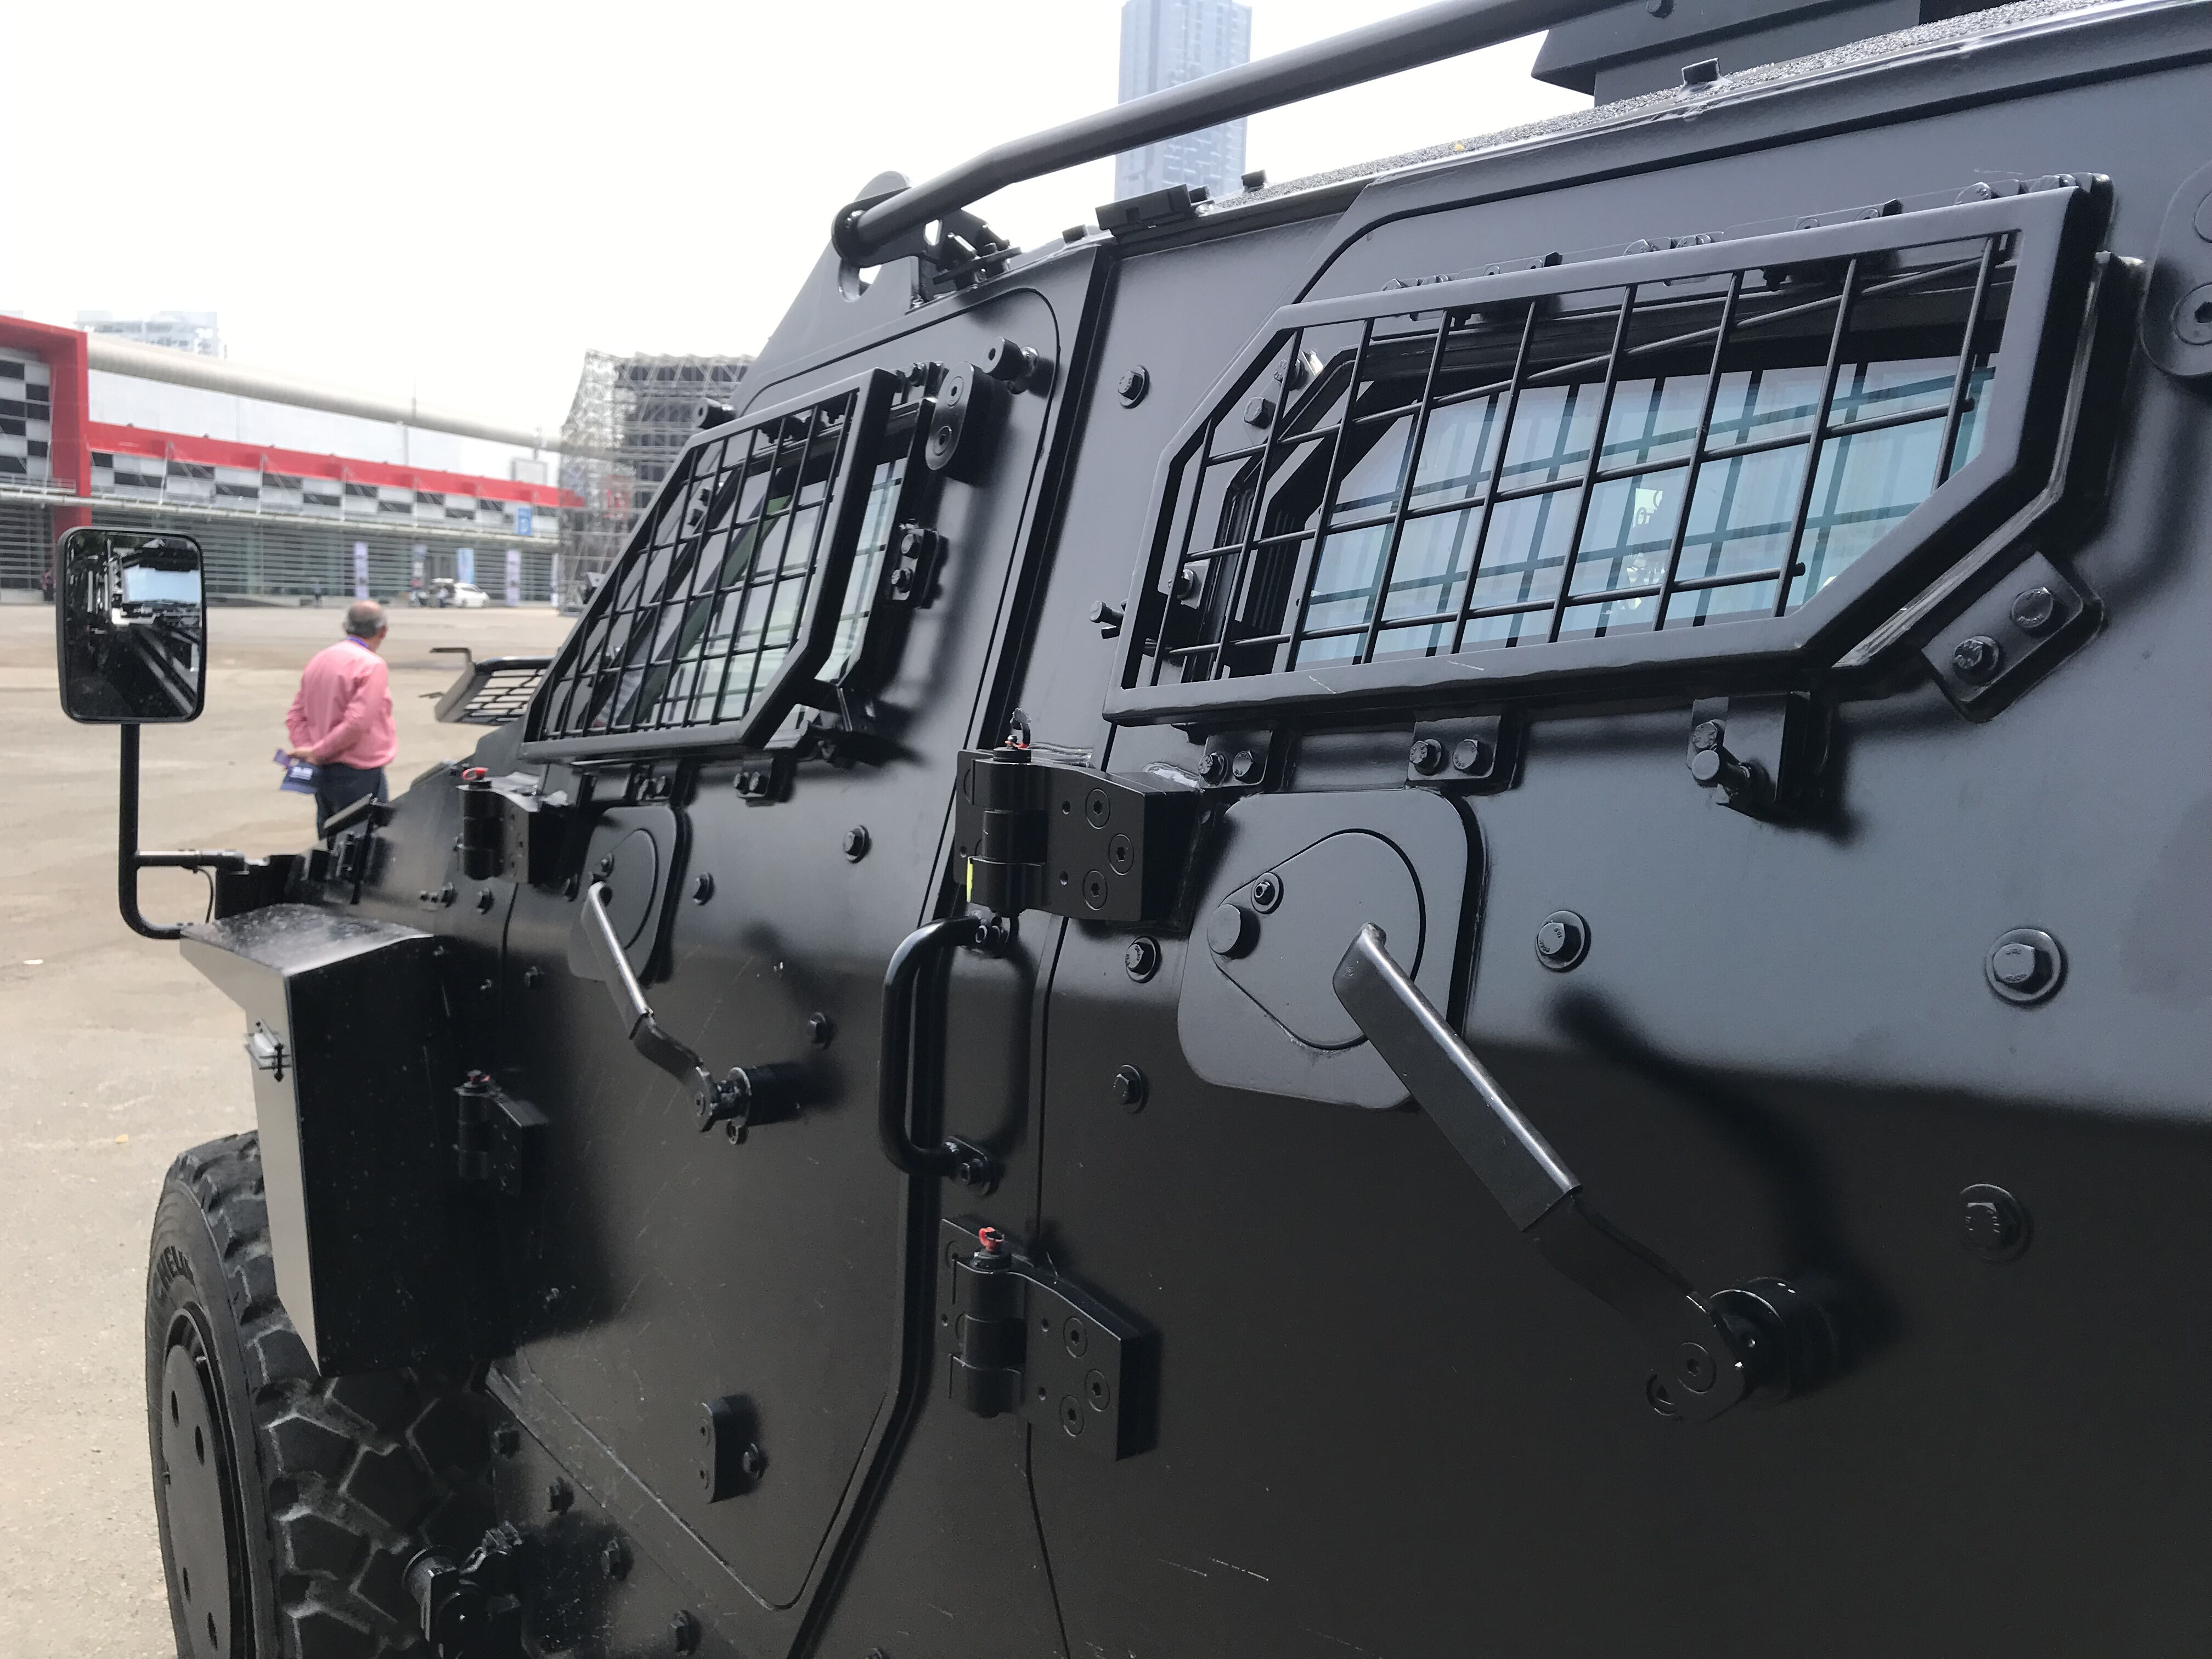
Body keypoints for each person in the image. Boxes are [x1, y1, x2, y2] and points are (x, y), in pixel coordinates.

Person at [285, 600, 396, 838]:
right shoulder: (371, 665)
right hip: (359, 772)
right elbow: (357, 723)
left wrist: (310, 751)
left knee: (329, 840)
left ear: (346, 627)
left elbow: (296, 715)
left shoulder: (320, 659)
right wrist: (317, 752)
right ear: (383, 631)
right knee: (363, 845)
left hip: (323, 770)